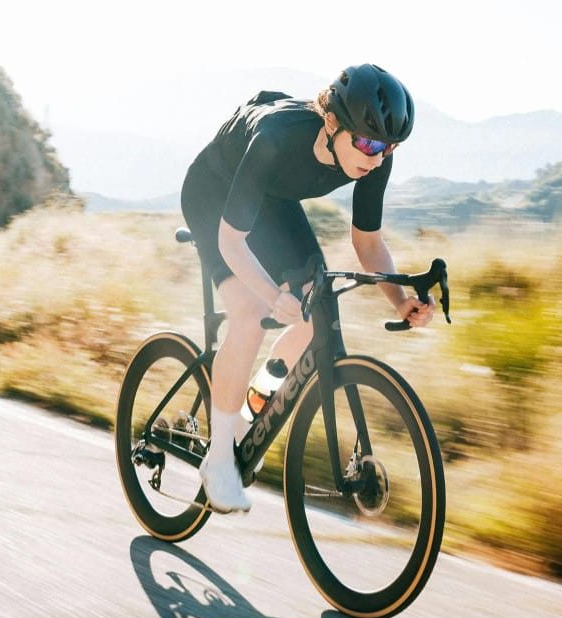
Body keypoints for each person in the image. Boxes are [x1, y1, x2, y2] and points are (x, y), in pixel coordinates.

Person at [180, 64, 436, 513]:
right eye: (369, 143)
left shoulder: (373, 156)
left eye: (388, 147)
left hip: (273, 199)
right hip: (213, 191)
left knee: (313, 308)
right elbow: (231, 242)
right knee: (248, 314)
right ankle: (218, 458)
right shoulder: (276, 139)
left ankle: (246, 413)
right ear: (333, 122)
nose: (377, 158)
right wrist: (267, 293)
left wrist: (401, 299)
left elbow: (368, 242)